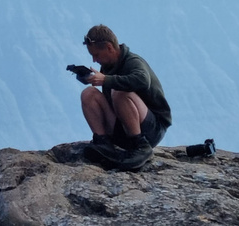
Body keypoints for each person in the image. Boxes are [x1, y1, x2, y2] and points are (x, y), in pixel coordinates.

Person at [72, 24, 170, 170]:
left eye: (96, 55)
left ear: (109, 47)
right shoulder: (108, 65)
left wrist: (106, 80)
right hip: (123, 127)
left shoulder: (133, 62)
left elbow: (143, 80)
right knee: (88, 94)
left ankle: (141, 147)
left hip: (151, 130)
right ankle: (104, 144)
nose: (94, 60)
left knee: (120, 92)